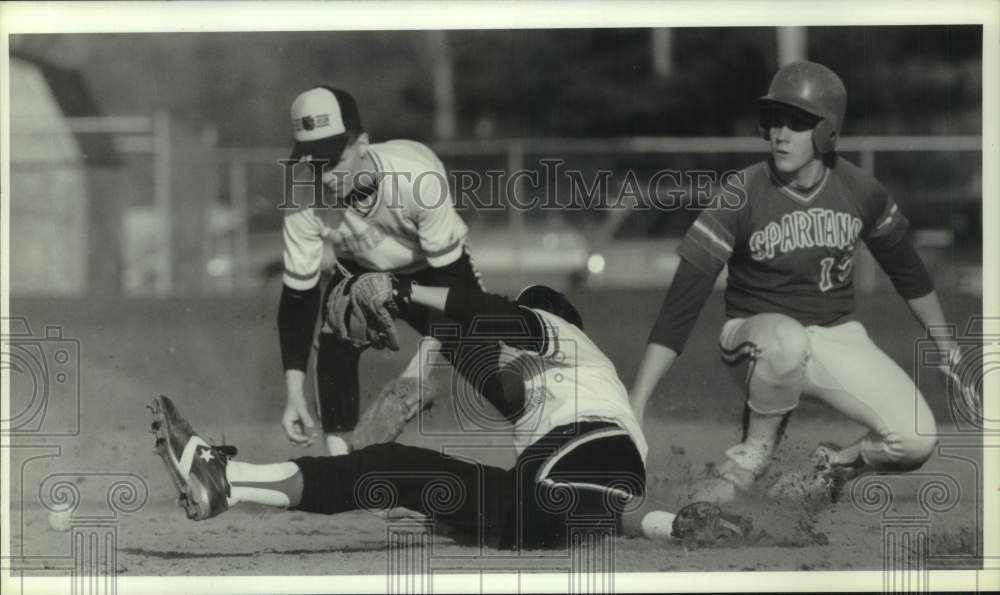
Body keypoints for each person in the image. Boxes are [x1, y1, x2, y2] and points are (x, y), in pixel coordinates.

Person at [152, 283, 742, 549]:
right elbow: (478, 355)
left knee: (569, 494)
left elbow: (492, 318)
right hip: (546, 496)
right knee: (390, 466)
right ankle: (227, 480)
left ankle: (676, 524)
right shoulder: (527, 395)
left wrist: (403, 289)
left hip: (591, 454)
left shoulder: (562, 335)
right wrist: (422, 324)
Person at [629, 61, 966, 504]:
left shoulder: (859, 190)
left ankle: (832, 468)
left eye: (798, 123)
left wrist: (948, 350)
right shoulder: (741, 191)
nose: (780, 133)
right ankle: (754, 453)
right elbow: (682, 303)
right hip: (753, 340)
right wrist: (638, 400)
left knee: (915, 439)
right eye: (774, 121)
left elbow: (907, 271)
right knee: (785, 340)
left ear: (827, 132)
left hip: (836, 337)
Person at [278, 85, 483, 456]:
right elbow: (297, 300)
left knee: (485, 357)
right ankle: (342, 465)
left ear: (363, 145)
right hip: (361, 269)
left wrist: (415, 375)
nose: (324, 177)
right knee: (335, 332)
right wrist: (293, 393)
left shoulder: (416, 180)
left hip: (433, 272)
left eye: (333, 160)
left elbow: (456, 290)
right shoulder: (302, 200)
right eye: (314, 163)